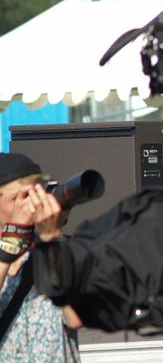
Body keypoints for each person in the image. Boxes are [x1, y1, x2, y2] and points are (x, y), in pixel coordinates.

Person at [0, 152, 82, 361]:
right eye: (16, 198)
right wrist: (10, 243)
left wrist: (51, 236)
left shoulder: (58, 248)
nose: (29, 205)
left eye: (34, 195)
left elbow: (76, 318)